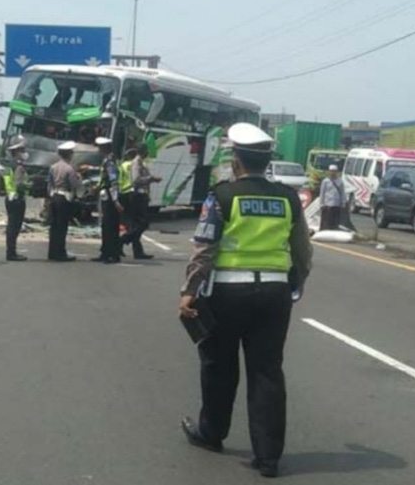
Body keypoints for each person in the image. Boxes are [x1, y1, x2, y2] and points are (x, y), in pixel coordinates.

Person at [178, 123, 313, 478]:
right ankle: (268, 457)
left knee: (219, 366)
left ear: (236, 161)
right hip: (274, 293)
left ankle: (212, 433)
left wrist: (189, 291)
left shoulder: (221, 196)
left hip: (227, 293)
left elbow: (205, 249)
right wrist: (294, 283)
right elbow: (302, 250)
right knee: (267, 371)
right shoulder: (287, 198)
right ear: (266, 162)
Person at [122, 144, 162, 259]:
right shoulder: (136, 163)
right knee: (143, 223)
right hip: (137, 196)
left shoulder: (141, 162)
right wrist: (151, 179)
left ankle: (138, 251)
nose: (148, 153)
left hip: (141, 195)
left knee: (136, 225)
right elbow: (136, 180)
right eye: (146, 151)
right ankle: (122, 240)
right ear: (143, 152)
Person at [48, 141, 82, 262]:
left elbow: (49, 184)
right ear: (69, 154)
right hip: (64, 197)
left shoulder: (53, 167)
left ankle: (52, 252)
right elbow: (74, 185)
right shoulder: (69, 169)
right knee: (62, 227)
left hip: (54, 196)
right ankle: (60, 252)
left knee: (54, 226)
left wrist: (51, 195)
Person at [93, 137, 124, 264]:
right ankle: (105, 252)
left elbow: (113, 182)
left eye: (100, 147)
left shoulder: (110, 162)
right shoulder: (106, 160)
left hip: (110, 197)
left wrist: (116, 200)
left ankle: (112, 254)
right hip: (106, 195)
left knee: (110, 226)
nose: (98, 150)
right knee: (106, 226)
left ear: (104, 148)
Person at [1, 137, 29, 262]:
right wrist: (31, 185)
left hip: (9, 197)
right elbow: (19, 184)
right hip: (17, 199)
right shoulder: (19, 166)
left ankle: (10, 251)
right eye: (22, 149)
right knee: (14, 227)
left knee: (11, 226)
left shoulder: (6, 164)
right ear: (17, 151)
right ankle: (11, 253)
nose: (24, 151)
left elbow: (2, 182)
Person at [118, 147, 137, 256]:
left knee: (127, 221)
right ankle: (121, 242)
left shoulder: (123, 165)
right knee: (134, 223)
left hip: (124, 193)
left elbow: (120, 180)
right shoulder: (135, 165)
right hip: (132, 193)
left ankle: (136, 250)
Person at [319, 164, 346, 231]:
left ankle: (333, 230)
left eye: (334, 171)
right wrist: (321, 203)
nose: (332, 173)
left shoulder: (340, 181)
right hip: (327, 204)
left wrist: (343, 202)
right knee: (326, 220)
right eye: (331, 171)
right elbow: (322, 193)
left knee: (335, 220)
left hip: (336, 204)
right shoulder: (325, 181)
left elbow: (342, 192)